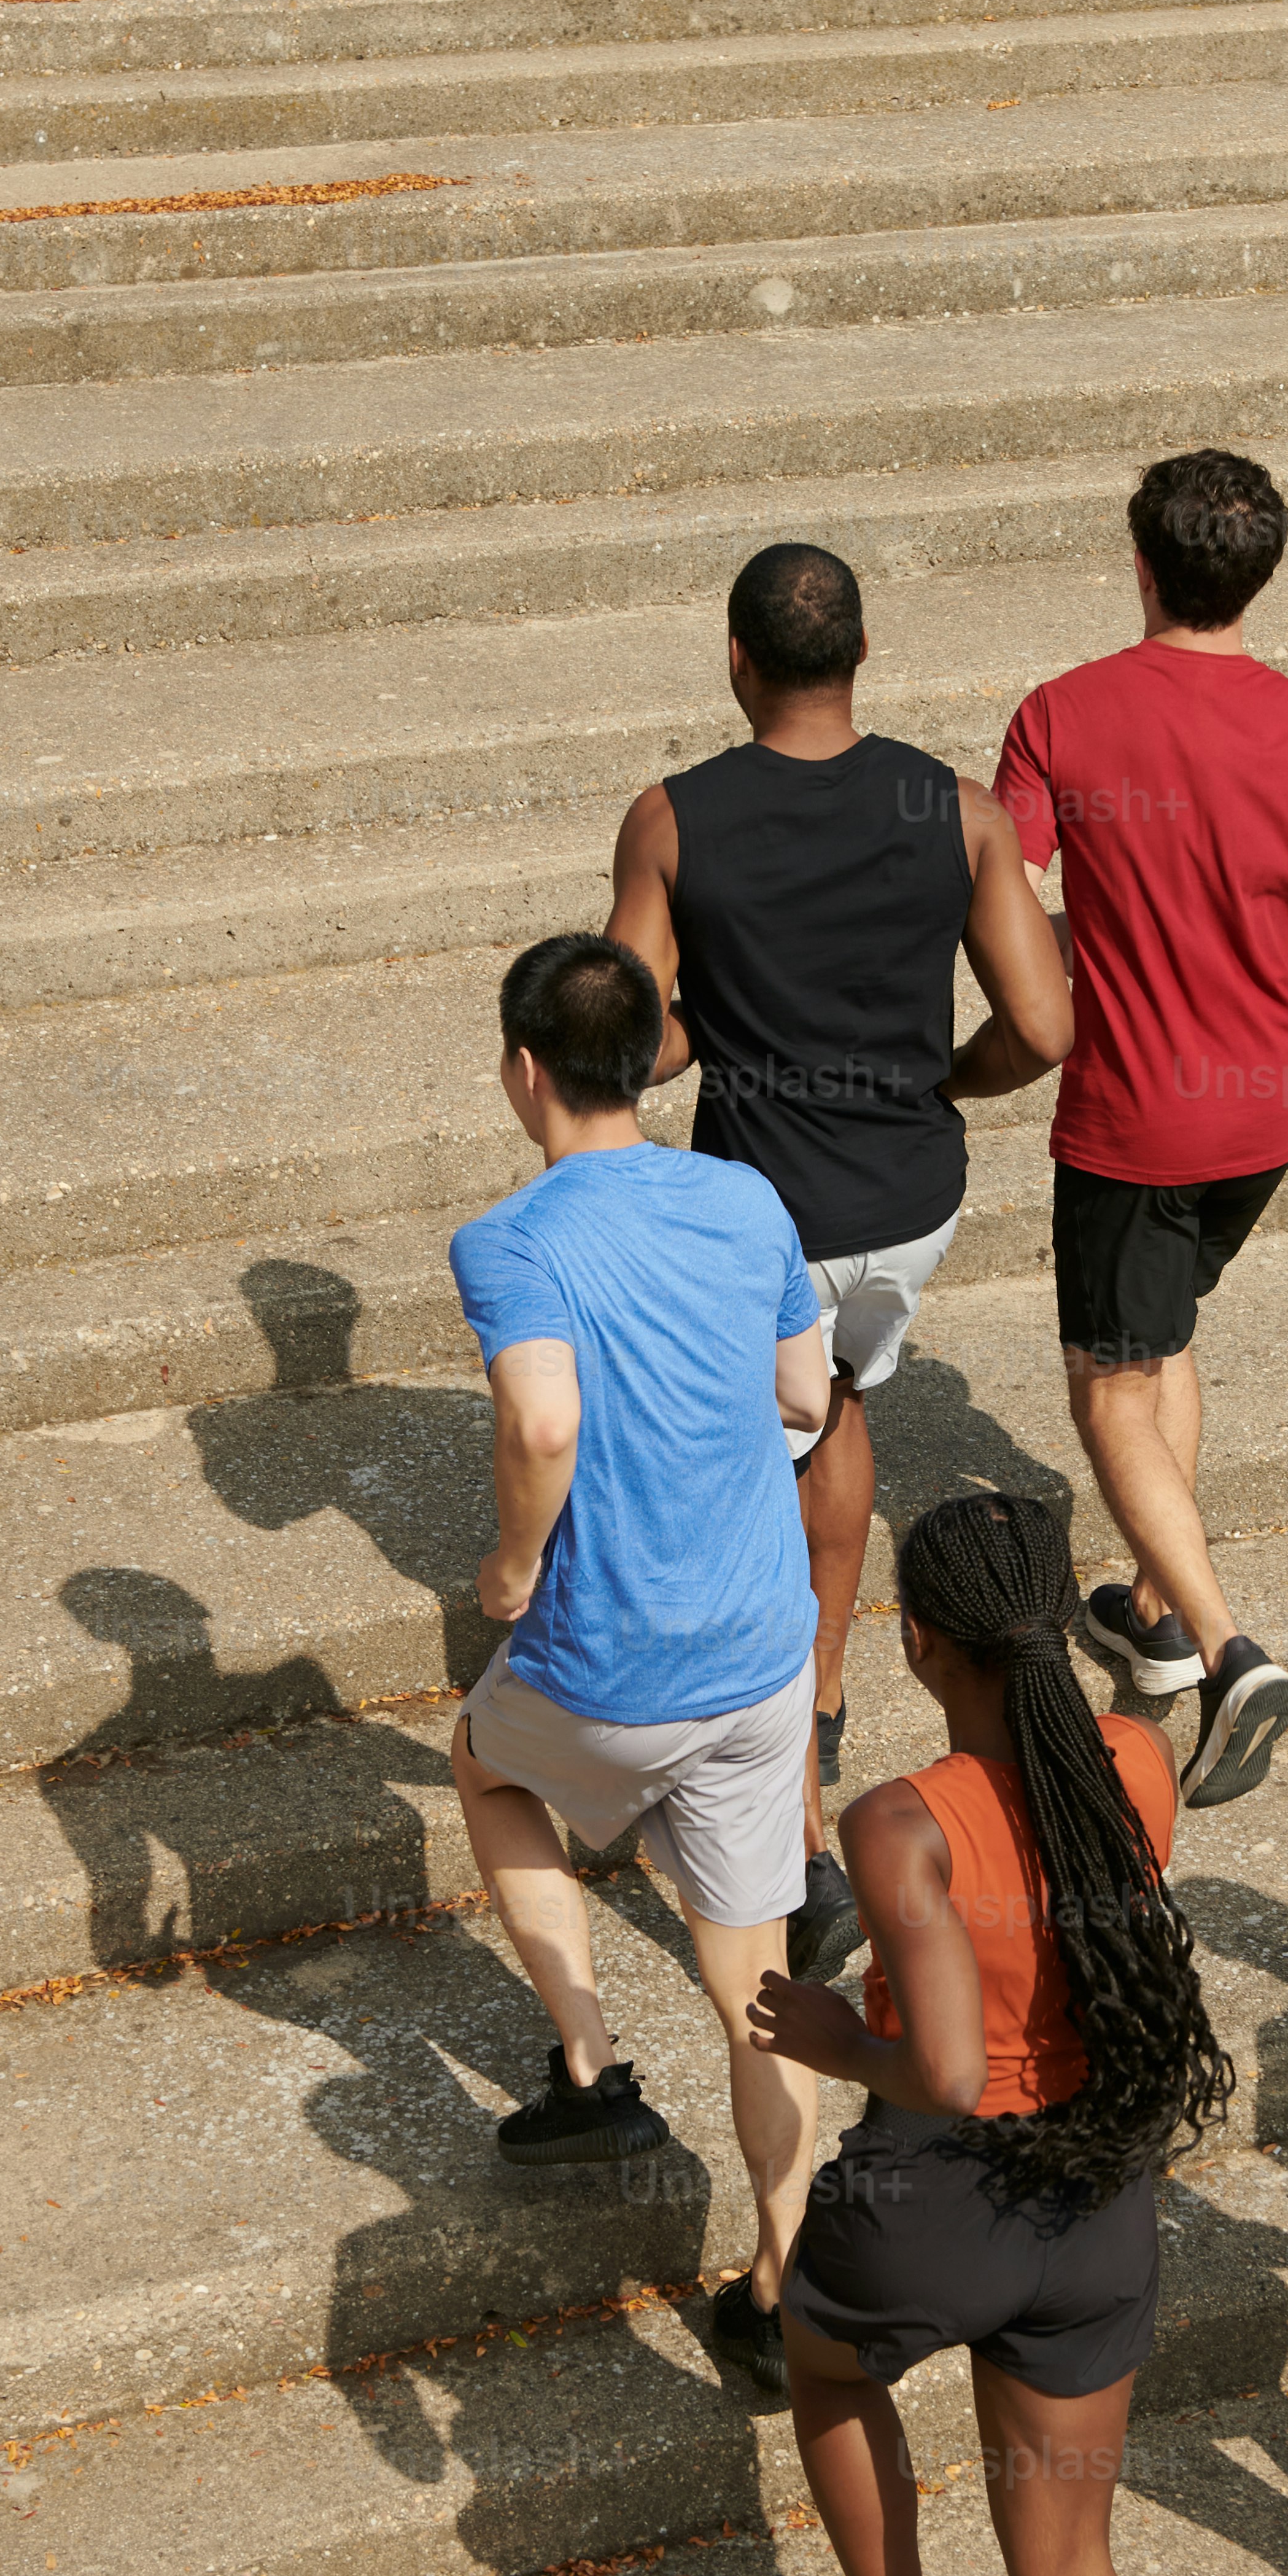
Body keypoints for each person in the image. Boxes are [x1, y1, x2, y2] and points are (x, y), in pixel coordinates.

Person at [748, 1490, 1230, 2576]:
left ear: (915, 1644)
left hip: (933, 2198)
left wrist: (836, 2037)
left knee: (824, 2365)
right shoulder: (1136, 1760)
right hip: (1094, 2205)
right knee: (1073, 2572)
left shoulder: (899, 1820)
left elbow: (948, 2067)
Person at [610, 540, 1074, 1978]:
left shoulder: (673, 819)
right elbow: (1043, 1028)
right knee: (841, 1407)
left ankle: (790, 1828)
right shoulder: (961, 811)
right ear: (862, 655)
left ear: (735, 660)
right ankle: (818, 1699)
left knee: (750, 1482)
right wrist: (946, 1080)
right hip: (909, 1199)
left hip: (765, 1216)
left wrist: (710, 1018)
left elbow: (628, 1040)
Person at [993, 448, 1288, 1809]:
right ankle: (1148, 1610)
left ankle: (1228, 1649)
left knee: (1109, 1382)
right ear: (1260, 575)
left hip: (1133, 1122)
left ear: (1140, 564)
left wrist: (1072, 954)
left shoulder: (1061, 716)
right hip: (1262, 1114)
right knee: (1166, 1336)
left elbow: (1001, 900)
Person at [446, 933, 830, 2396]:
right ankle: (784, 2289)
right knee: (758, 1986)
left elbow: (541, 1423)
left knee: (482, 1764)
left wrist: (510, 1566)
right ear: (651, 1060)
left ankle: (589, 2066)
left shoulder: (512, 1241)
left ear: (522, 1070)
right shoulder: (742, 1195)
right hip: (763, 1651)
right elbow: (803, 1394)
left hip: (609, 1664)